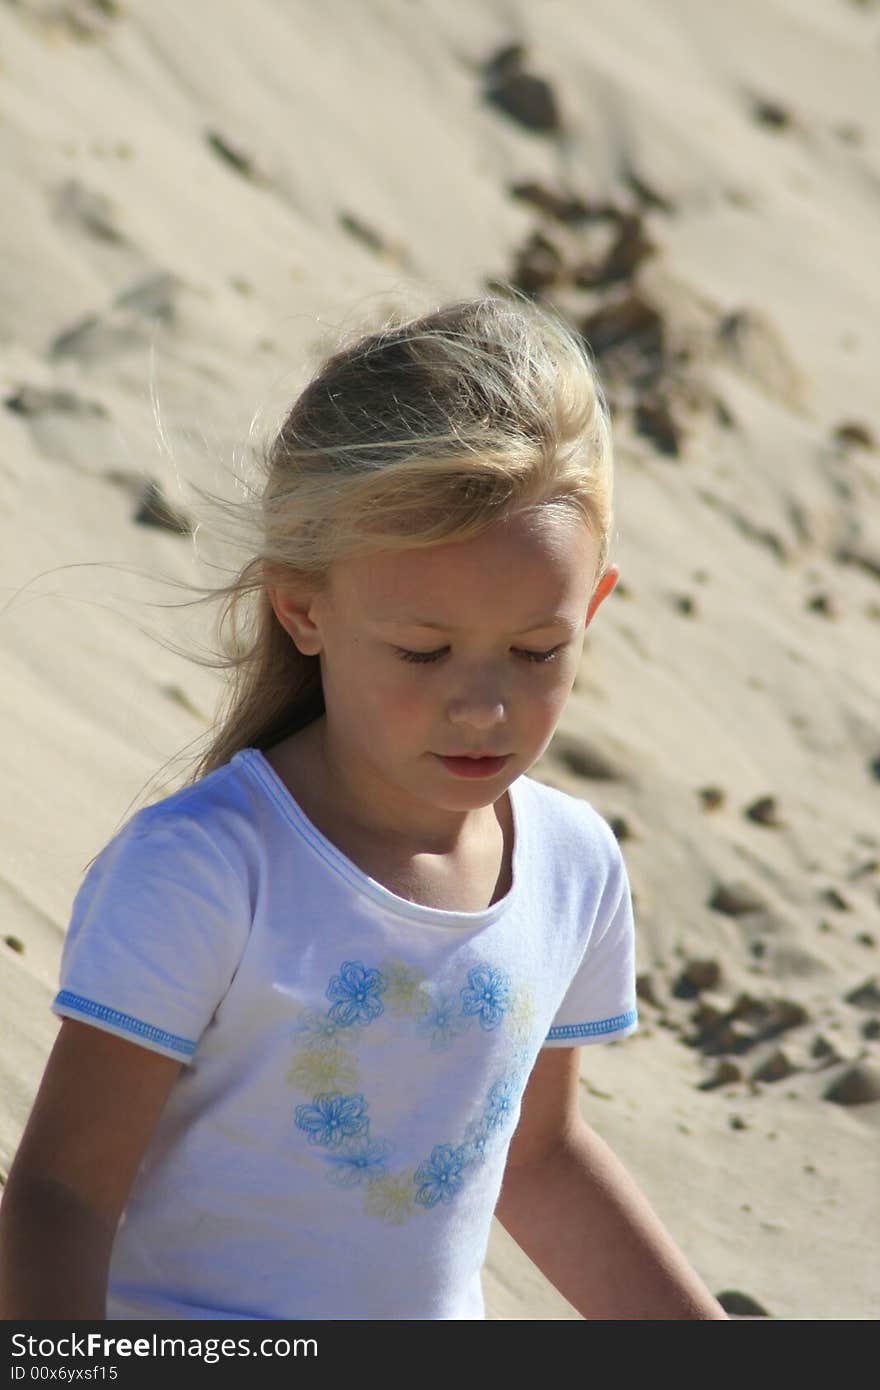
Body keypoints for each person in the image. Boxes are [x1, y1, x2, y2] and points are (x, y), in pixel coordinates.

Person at [0, 295, 726, 1321]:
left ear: (591, 610)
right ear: (305, 609)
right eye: (422, 652)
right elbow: (61, 1192)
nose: (484, 702)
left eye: (536, 650)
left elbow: (542, 1156)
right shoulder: (209, 869)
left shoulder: (570, 863)